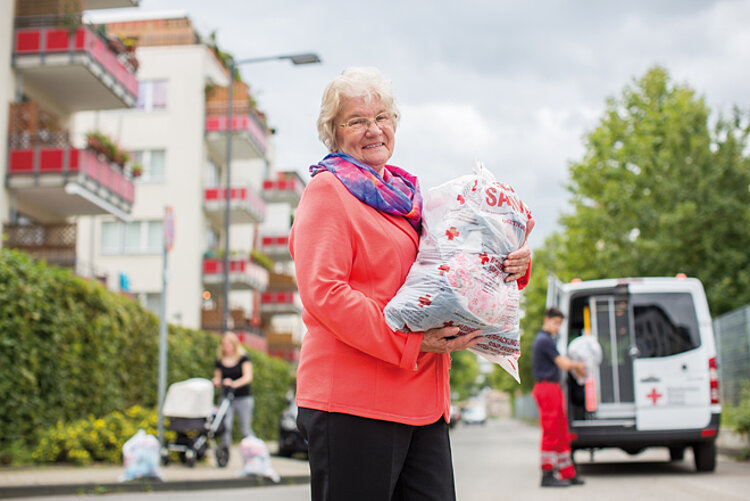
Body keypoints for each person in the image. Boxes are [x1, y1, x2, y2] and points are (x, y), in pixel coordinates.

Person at [289, 66, 533, 501]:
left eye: (382, 117)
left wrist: (509, 264)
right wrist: (412, 342)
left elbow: (448, 270)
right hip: (354, 401)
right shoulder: (328, 192)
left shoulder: (407, 200)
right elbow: (324, 293)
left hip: (423, 401)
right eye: (356, 120)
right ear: (333, 132)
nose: (373, 130)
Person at [531, 307, 587, 487]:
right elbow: (562, 362)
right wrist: (578, 365)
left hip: (552, 388)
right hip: (547, 388)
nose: (557, 327)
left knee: (562, 432)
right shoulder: (543, 340)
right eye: (555, 323)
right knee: (551, 431)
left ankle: (567, 472)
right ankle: (547, 474)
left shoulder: (548, 339)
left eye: (559, 324)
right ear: (546, 320)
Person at [212, 332, 254, 448]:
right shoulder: (220, 361)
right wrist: (217, 382)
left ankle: (254, 450)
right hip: (226, 398)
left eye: (229, 344)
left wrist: (233, 384)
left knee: (245, 428)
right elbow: (218, 378)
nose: (226, 347)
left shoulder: (243, 358)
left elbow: (248, 377)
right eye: (224, 344)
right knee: (225, 425)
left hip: (243, 397)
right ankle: (224, 451)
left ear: (234, 344)